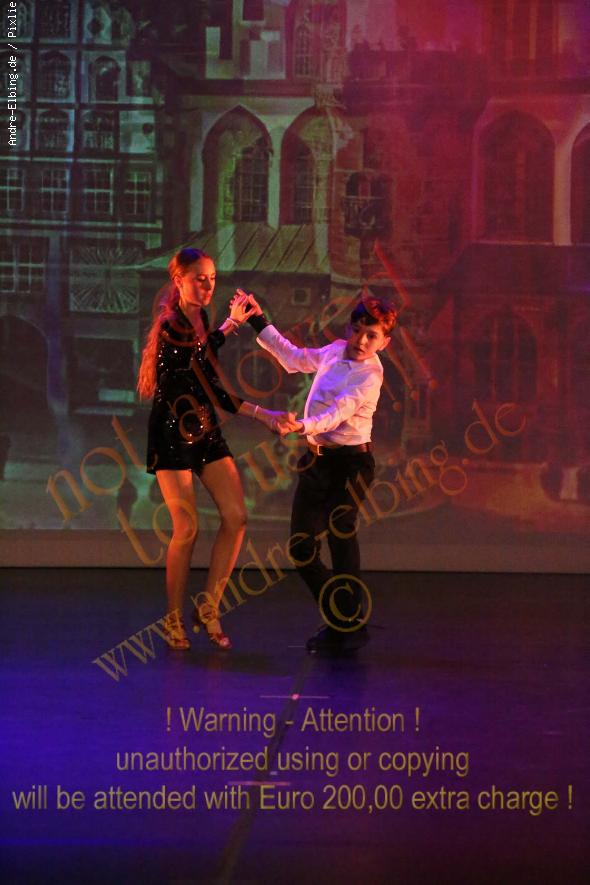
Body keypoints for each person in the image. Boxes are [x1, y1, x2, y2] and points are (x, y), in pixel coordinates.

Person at [137, 248, 284, 651]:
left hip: (203, 428)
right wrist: (231, 326)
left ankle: (209, 607)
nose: (207, 286)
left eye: (212, 278)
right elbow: (198, 370)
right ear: (179, 280)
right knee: (186, 529)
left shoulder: (201, 320)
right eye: (199, 278)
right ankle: (173, 618)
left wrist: (265, 415)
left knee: (236, 517)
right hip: (171, 432)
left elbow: (210, 384)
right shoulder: (170, 324)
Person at [242, 292, 397, 653]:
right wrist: (257, 320)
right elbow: (294, 358)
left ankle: (346, 625)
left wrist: (301, 426)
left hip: (351, 465)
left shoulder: (370, 375)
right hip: (317, 462)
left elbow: (338, 413)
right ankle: (346, 615)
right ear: (349, 328)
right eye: (357, 330)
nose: (361, 340)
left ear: (384, 342)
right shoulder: (335, 350)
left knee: (341, 536)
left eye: (371, 336)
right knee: (302, 548)